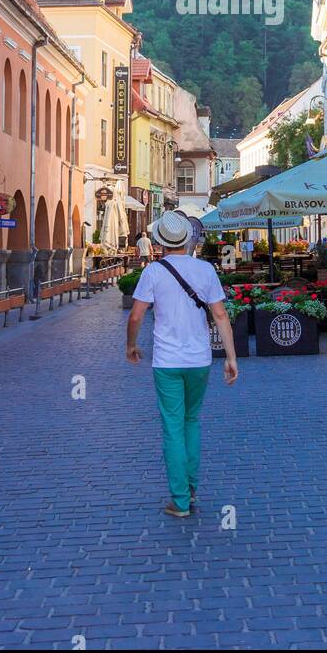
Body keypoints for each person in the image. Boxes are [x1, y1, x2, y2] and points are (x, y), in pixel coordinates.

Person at [126, 209, 238, 518]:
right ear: (187, 239)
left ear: (160, 242)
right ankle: (190, 488)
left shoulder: (153, 272)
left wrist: (131, 345)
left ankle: (179, 499)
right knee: (192, 422)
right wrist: (230, 357)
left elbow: (136, 315)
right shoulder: (205, 270)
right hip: (199, 360)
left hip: (167, 361)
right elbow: (219, 315)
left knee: (172, 427)